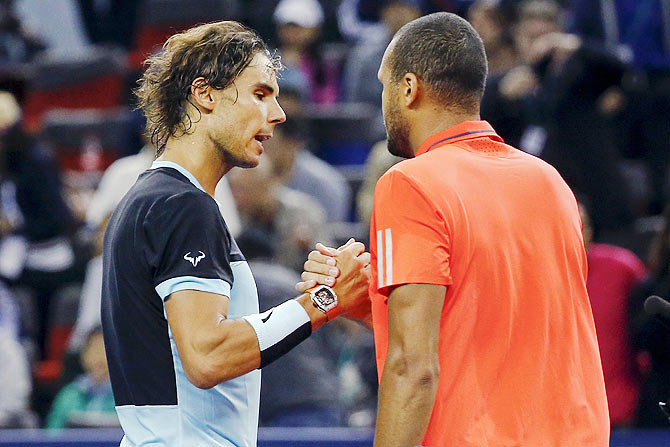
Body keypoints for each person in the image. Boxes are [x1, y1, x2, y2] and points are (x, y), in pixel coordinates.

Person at [298, 12, 610, 446]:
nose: (382, 100)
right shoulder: (551, 183)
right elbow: (493, 328)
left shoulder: (408, 183)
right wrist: (371, 303)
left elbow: (413, 365)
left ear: (408, 88)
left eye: (384, 84)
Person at [101, 20, 369, 447]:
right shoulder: (182, 205)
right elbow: (207, 355)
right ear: (205, 94)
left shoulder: (150, 198)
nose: (278, 114)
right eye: (261, 94)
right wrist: (324, 301)